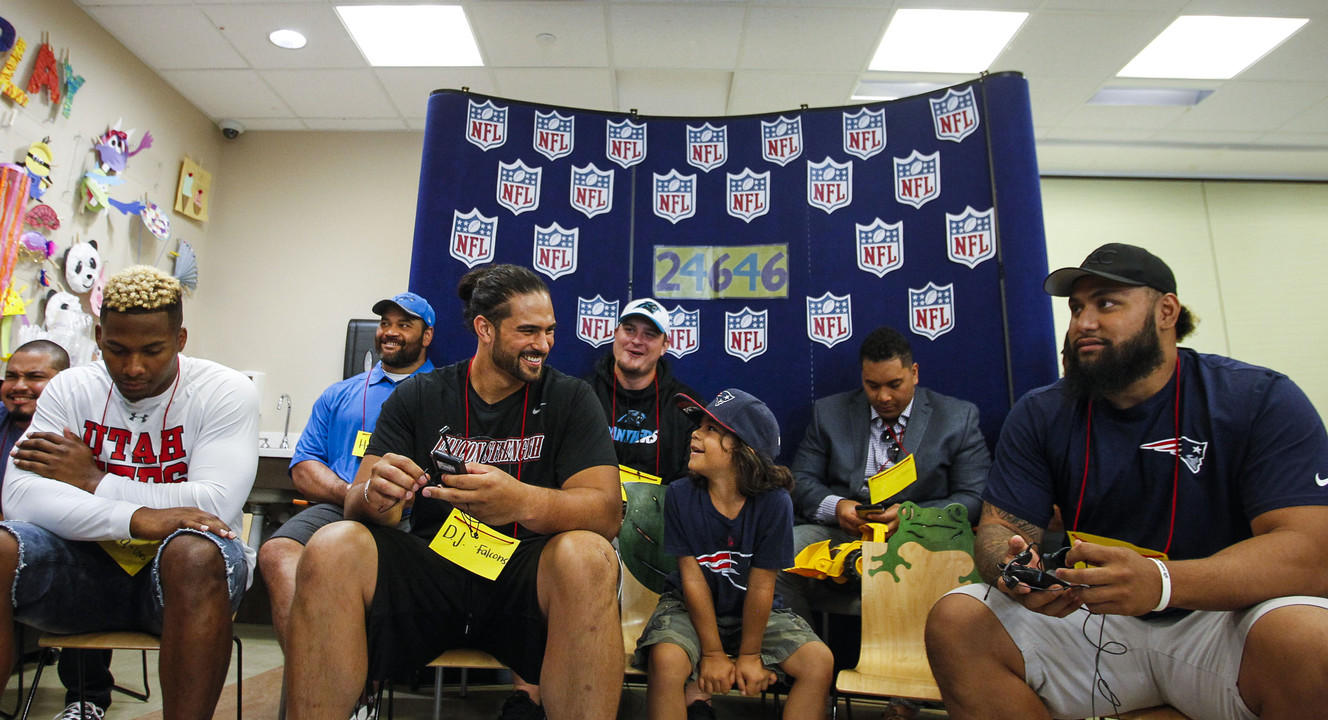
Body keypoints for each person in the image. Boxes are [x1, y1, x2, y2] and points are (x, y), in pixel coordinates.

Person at [925, 243, 1328, 720]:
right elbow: (997, 530)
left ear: (1166, 311)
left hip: (1223, 618)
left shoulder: (1258, 397)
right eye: (1076, 308)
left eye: (1106, 303)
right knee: (959, 620)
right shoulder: (1041, 411)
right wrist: (1012, 570)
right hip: (1097, 617)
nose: (1083, 323)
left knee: (1308, 639)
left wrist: (1161, 583)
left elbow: (1310, 552)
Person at [284, 263, 623, 720]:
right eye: (527, 331)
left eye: (549, 331)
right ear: (485, 328)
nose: (542, 345)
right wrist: (377, 497)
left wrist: (521, 500)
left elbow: (605, 512)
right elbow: (358, 501)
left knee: (589, 555)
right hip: (434, 566)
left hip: (523, 572)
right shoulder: (419, 395)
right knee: (331, 545)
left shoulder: (571, 398)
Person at [0, 265, 259, 720]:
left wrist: (95, 481)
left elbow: (213, 504)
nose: (133, 367)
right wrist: (139, 518)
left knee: (195, 553)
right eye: (117, 349)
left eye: (152, 350)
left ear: (180, 339)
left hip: (185, 583)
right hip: (84, 573)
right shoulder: (70, 388)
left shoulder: (223, 390)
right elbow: (20, 497)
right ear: (99, 335)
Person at [634, 389, 833, 720]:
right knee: (667, 660)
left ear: (745, 451)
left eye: (712, 429)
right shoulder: (681, 495)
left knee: (818, 662)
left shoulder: (775, 502)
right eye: (699, 426)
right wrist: (712, 653)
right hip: (687, 605)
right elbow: (692, 579)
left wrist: (750, 655)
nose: (695, 433)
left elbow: (761, 586)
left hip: (754, 611)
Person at [258, 291, 435, 651]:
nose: (391, 332)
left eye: (404, 324)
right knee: (277, 552)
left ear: (426, 335)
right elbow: (305, 466)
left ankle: (360, 681)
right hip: (338, 507)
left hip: (414, 514)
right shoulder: (339, 395)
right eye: (385, 323)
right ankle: (311, 670)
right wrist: (354, 495)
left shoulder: (445, 393)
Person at [778, 325, 991, 620]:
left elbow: (973, 498)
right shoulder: (829, 413)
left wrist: (911, 515)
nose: (884, 397)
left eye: (894, 384)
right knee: (782, 556)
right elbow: (799, 481)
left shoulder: (956, 418)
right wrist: (837, 506)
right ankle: (804, 651)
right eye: (873, 385)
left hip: (922, 534)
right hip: (844, 531)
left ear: (914, 373)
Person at [1, 340, 117, 720]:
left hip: (66, 549)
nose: (18, 385)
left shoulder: (81, 432)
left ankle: (86, 698)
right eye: (11, 376)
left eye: (35, 377)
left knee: (94, 557)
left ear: (63, 383)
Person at [587, 297, 699, 484]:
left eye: (650, 334)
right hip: (591, 509)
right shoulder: (582, 396)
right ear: (615, 333)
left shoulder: (685, 408)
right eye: (629, 330)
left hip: (662, 512)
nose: (637, 341)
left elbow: (691, 485)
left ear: (665, 346)